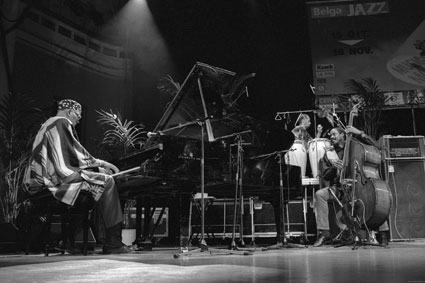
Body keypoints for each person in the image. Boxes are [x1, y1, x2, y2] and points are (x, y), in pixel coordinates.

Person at [24, 99, 132, 254]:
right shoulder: (61, 122)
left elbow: (66, 156)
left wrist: (95, 169)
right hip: (51, 180)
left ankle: (66, 241)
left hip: (39, 180)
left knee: (91, 190)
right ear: (70, 112)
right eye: (78, 115)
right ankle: (113, 243)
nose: (79, 119)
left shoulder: (49, 124)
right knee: (106, 182)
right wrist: (102, 164)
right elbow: (74, 153)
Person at [313, 126, 390, 247]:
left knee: (377, 196)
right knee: (320, 194)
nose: (331, 137)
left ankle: (383, 233)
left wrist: (359, 133)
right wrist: (334, 169)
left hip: (359, 187)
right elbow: (325, 175)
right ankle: (325, 234)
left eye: (334, 134)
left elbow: (378, 148)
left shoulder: (356, 146)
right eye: (330, 135)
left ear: (343, 135)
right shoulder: (329, 154)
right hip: (340, 189)